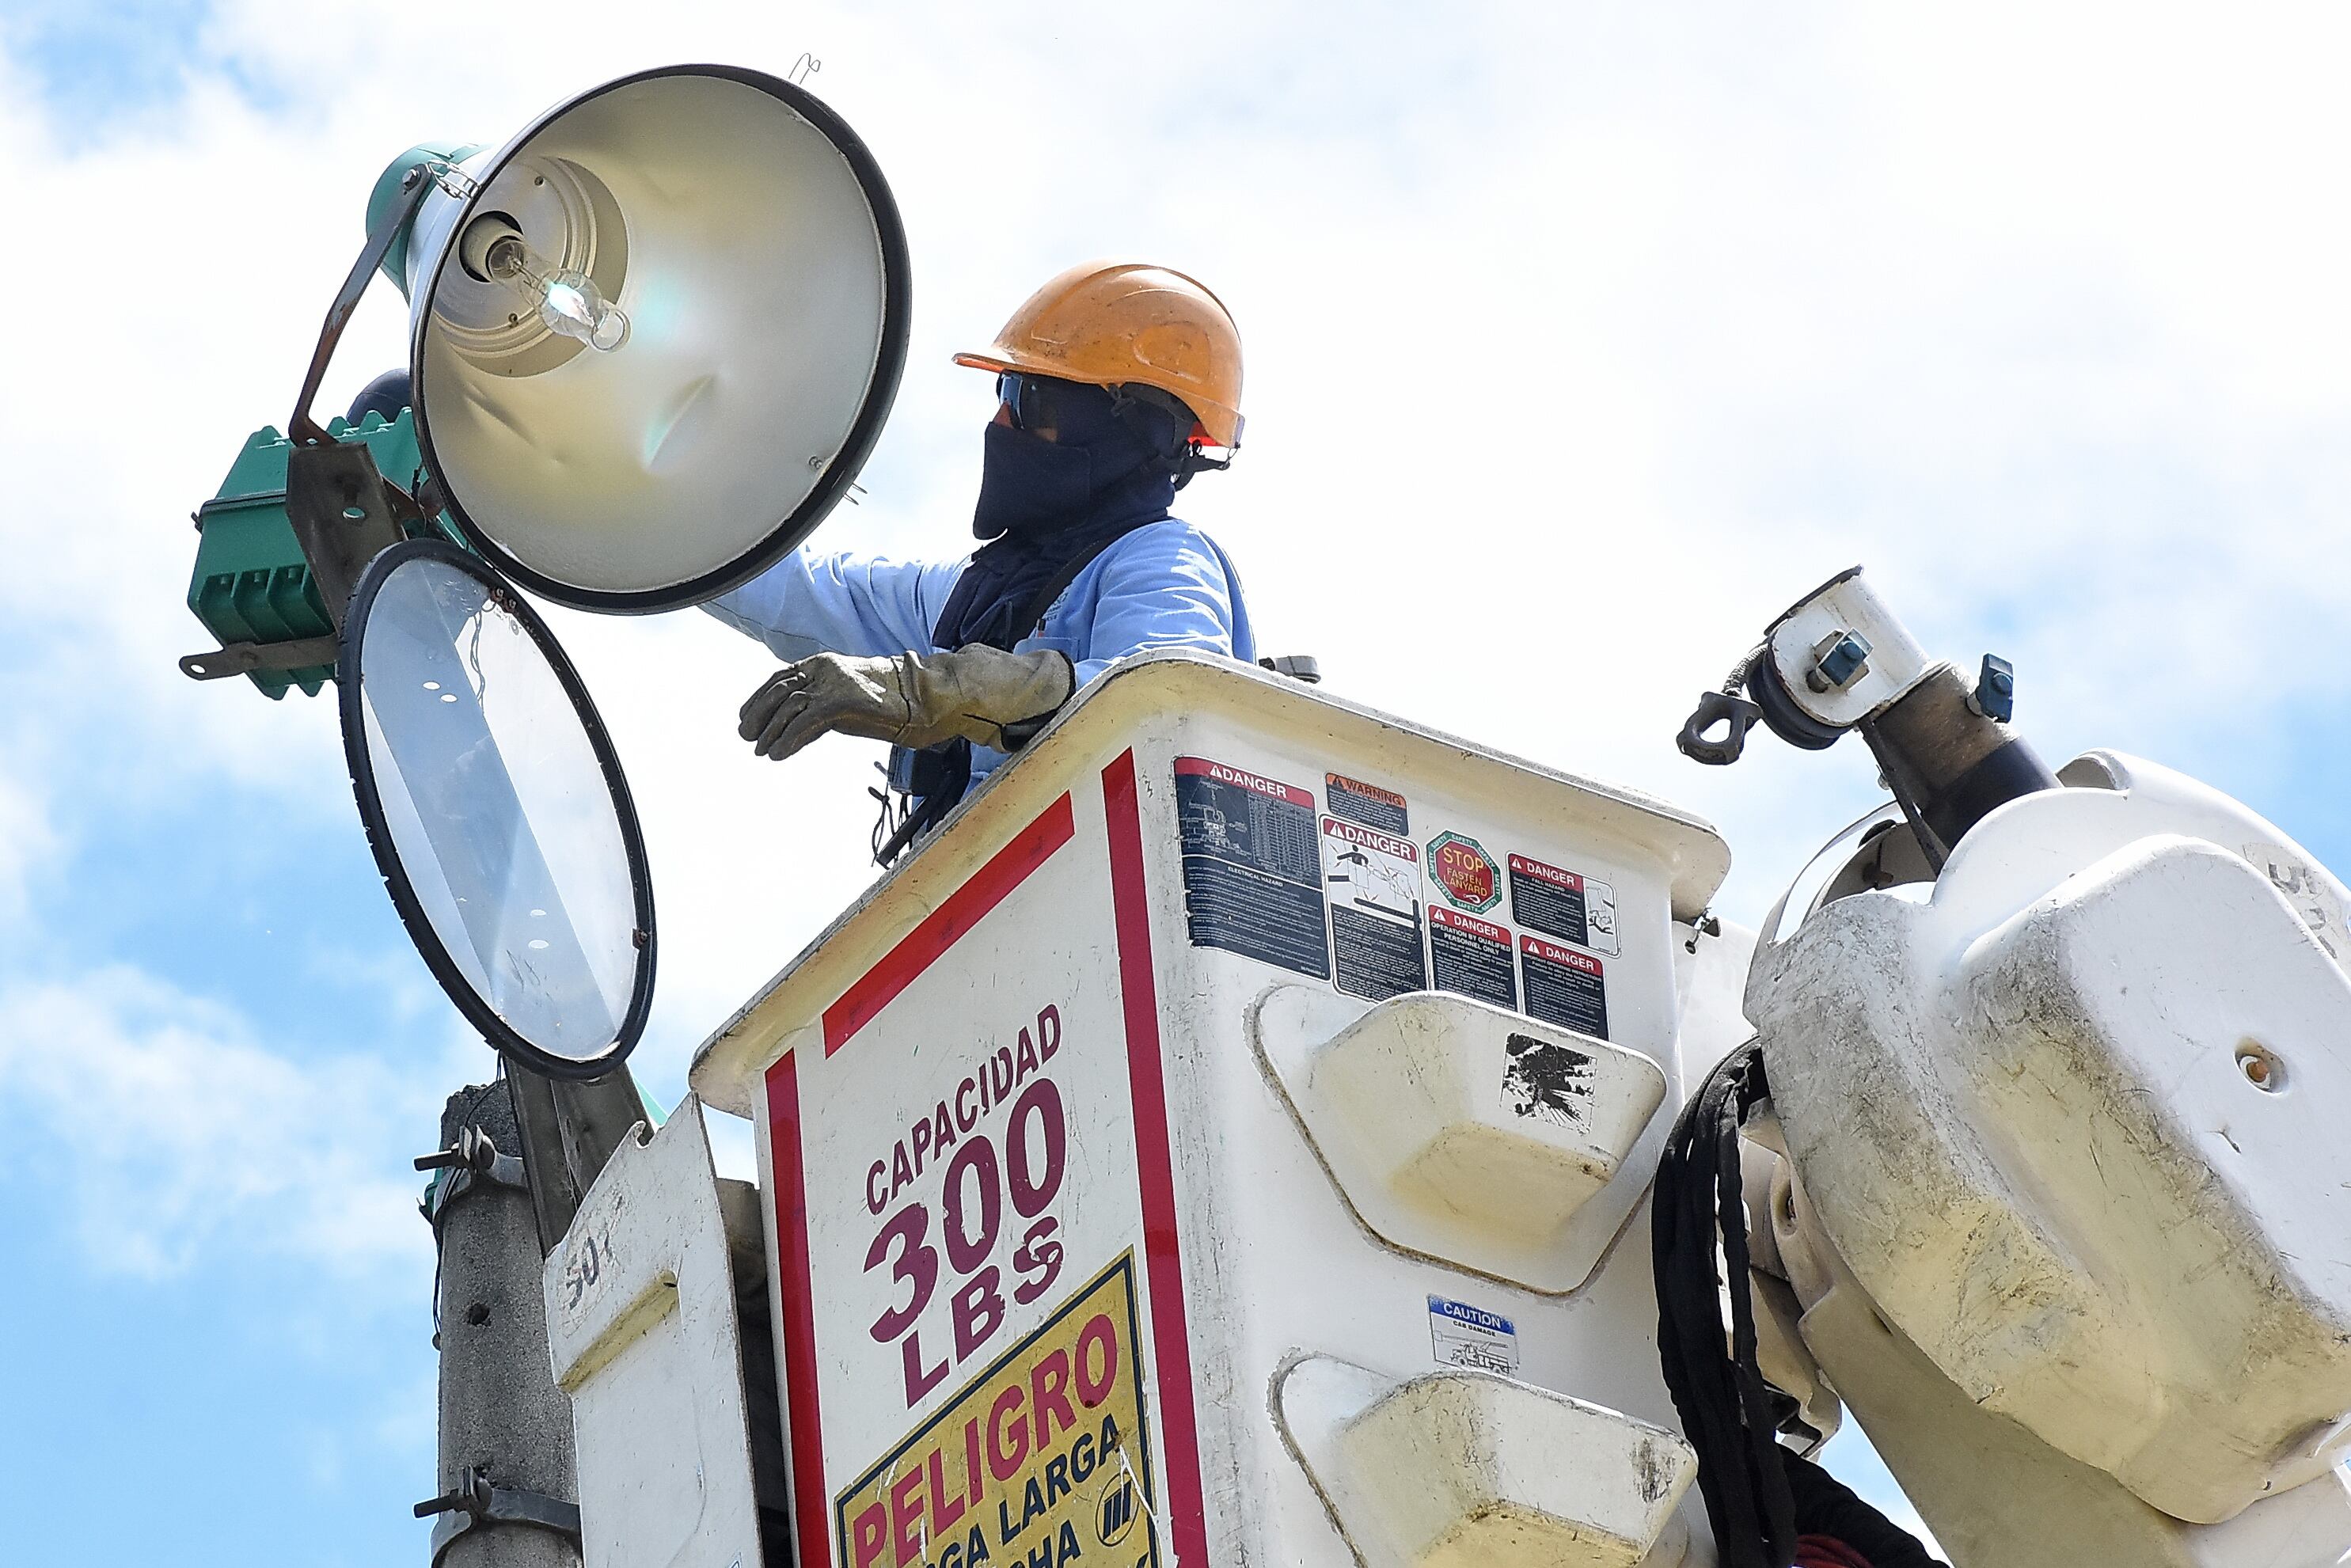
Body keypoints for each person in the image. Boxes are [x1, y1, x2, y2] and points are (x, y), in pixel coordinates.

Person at [705, 260, 1254, 857]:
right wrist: (636, 522)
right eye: (1002, 392)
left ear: (1123, 430)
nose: (1000, 421)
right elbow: (805, 591)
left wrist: (930, 689)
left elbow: (1154, 695)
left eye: (1029, 398)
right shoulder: (978, 598)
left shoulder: (1164, 560)